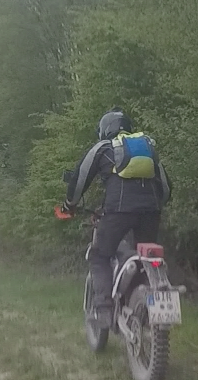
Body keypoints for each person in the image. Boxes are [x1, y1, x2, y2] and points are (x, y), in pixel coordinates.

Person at [61, 109, 172, 325]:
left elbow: (80, 178)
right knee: (145, 258)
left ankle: (103, 309)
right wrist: (155, 206)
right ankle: (143, 307)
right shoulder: (146, 147)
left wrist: (69, 205)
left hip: (118, 212)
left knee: (100, 255)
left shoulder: (104, 147)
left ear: (105, 129)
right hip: (151, 212)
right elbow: (166, 188)